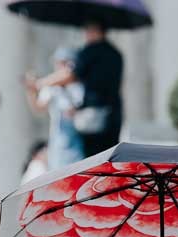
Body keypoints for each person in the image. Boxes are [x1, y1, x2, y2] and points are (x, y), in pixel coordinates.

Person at [32, 16, 123, 157]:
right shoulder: (116, 54)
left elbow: (70, 74)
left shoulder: (90, 51)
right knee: (111, 155)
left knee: (93, 159)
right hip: (113, 113)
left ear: (95, 30)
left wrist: (42, 82)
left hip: (92, 116)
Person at [25, 47, 85, 170]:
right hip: (58, 138)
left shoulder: (78, 85)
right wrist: (31, 90)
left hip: (79, 137)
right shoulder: (51, 87)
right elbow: (39, 107)